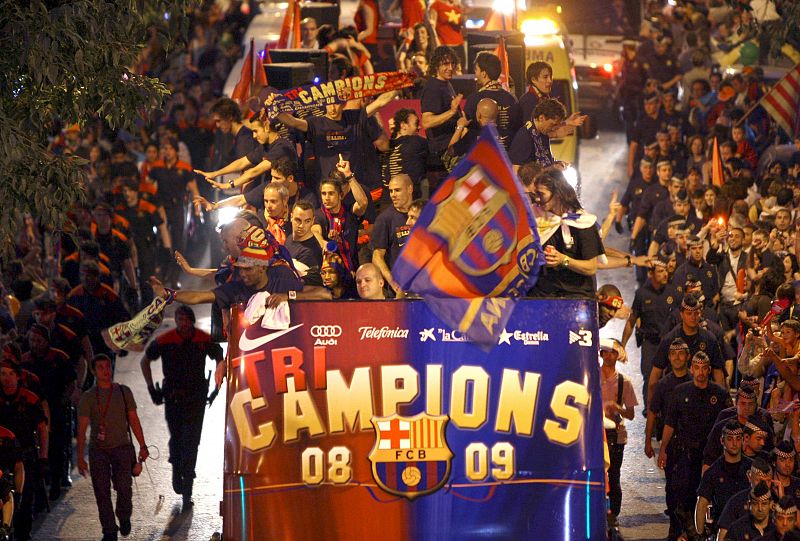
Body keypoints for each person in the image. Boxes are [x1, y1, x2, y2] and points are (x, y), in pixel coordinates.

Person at [141, 306, 223, 511]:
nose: (183, 323)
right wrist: (151, 389)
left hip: (196, 399)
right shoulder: (166, 340)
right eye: (180, 319)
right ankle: (177, 468)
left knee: (192, 442)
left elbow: (220, 359)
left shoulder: (203, 339)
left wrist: (217, 386)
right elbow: (145, 360)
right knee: (177, 438)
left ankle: (188, 489)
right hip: (173, 398)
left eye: (187, 319)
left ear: (192, 321)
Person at [658, 351, 731, 540]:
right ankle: (678, 533)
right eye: (696, 368)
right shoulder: (680, 392)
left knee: (707, 498)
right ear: (691, 369)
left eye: (704, 368)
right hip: (685, 454)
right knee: (679, 496)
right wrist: (663, 450)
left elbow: (728, 426)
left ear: (708, 370)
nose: (700, 372)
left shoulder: (720, 394)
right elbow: (670, 424)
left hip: (711, 456)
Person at [77, 354, 148, 541]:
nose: (105, 370)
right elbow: (82, 428)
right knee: (101, 491)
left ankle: (124, 515)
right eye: (100, 367)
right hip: (98, 451)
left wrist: (142, 445)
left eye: (107, 366)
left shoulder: (124, 392)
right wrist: (79, 458)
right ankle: (109, 530)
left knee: (124, 487)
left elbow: (133, 419)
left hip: (122, 448)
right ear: (93, 371)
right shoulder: (88, 397)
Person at [526, 168, 605, 299]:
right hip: (543, 295)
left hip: (576, 296)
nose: (537, 200)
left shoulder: (583, 222)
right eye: (536, 195)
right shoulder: (537, 220)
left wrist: (564, 260)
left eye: (541, 194)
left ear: (557, 194)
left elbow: (591, 267)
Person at [647, 293, 726, 406]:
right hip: (674, 399)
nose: (693, 317)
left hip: (701, 398)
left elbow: (718, 374)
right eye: (689, 313)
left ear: (700, 314)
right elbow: (655, 375)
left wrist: (719, 403)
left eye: (696, 313)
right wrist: (652, 407)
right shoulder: (669, 339)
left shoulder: (709, 339)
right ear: (681, 315)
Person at [0, 356, 47, 541]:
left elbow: (42, 430)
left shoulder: (29, 398)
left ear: (18, 376)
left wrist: (43, 457)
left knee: (24, 505)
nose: (7, 378)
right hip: (2, 457)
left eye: (11, 374)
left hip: (25, 458)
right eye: (2, 374)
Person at [623, 259, 678, 408]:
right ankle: (649, 410)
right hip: (650, 343)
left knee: (670, 378)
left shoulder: (673, 292)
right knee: (649, 377)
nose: (665, 274)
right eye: (660, 271)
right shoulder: (641, 294)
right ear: (651, 274)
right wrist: (622, 345)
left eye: (665, 270)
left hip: (669, 344)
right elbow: (632, 320)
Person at [599, 338, 637, 528]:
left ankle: (613, 515)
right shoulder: (590, 376)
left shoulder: (624, 382)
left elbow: (630, 413)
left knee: (614, 475)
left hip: (615, 435)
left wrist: (618, 409)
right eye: (604, 352)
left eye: (612, 352)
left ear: (617, 355)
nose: (608, 355)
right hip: (595, 434)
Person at [696, 420, 752, 536]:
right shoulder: (713, 472)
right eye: (730, 439)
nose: (734, 443)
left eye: (738, 439)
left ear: (742, 440)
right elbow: (702, 503)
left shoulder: (752, 468)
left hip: (750, 529)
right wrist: (700, 534)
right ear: (722, 441)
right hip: (723, 529)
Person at [465, 51, 521, 148]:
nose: (475, 74)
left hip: (482, 155)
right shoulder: (512, 99)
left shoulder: (474, 99)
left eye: (476, 70)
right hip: (507, 156)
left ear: (483, 74)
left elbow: (466, 130)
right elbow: (517, 129)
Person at [645, 337, 691, 458]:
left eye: (681, 354)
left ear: (688, 357)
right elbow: (652, 412)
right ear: (669, 357)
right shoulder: (663, 385)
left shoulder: (696, 382)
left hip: (693, 442)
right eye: (673, 354)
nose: (677, 357)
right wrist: (647, 441)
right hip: (670, 443)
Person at [509, 98, 585, 169]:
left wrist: (558, 164)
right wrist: (551, 169)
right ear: (541, 118)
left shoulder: (542, 134)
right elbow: (515, 170)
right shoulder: (524, 137)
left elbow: (545, 162)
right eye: (552, 124)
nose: (553, 128)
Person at [420, 46, 462, 167]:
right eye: (445, 64)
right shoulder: (433, 88)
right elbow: (426, 122)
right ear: (436, 65)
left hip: (453, 145)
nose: (450, 68)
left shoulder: (446, 84)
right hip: (444, 151)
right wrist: (452, 112)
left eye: (452, 63)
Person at [372, 174, 413, 296]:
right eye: (390, 191)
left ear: (410, 189)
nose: (393, 195)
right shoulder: (384, 219)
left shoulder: (423, 213)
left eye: (397, 190)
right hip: (400, 292)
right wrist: (394, 284)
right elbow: (377, 256)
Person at [717, 458, 774, 540]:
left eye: (768, 481)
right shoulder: (737, 501)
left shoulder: (778, 499)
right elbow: (723, 534)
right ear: (750, 477)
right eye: (759, 480)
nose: (763, 485)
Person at [519, 61, 553, 127]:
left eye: (551, 76)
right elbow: (530, 132)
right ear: (533, 80)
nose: (550, 80)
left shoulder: (544, 99)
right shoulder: (528, 101)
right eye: (545, 77)